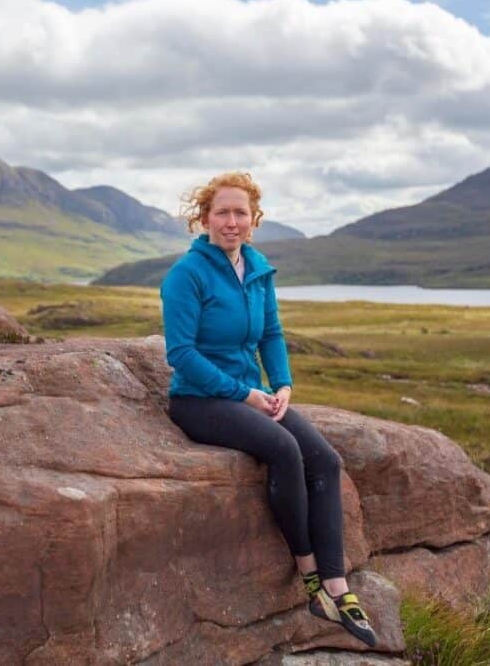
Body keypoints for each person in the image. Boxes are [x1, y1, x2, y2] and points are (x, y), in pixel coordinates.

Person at [160, 171, 377, 647]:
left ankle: (340, 586)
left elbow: (271, 334)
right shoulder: (186, 275)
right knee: (284, 449)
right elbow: (181, 354)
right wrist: (245, 394)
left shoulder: (257, 270)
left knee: (326, 460)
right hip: (200, 399)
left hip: (251, 394)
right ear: (204, 219)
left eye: (241, 213)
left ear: (254, 220)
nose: (231, 222)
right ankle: (311, 579)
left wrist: (281, 384)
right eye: (222, 212)